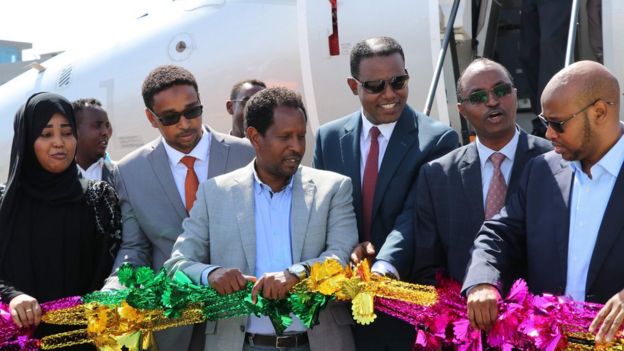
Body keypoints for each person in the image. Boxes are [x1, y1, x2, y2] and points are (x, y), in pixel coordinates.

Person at [165, 87, 358, 351]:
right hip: (239, 344)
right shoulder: (215, 193)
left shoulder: (333, 188)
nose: (297, 147)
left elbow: (341, 256)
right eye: (285, 137)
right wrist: (211, 274)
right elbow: (177, 265)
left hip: (318, 342)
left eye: (301, 136)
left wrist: (295, 274)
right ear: (255, 137)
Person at [462, 61, 624, 344]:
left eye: (558, 124)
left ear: (600, 112)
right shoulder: (542, 170)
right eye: (545, 121)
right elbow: (498, 232)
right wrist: (482, 280)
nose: (548, 134)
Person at [312, 36, 459, 350]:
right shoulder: (329, 137)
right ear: (354, 86)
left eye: (398, 81)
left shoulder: (437, 140)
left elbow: (415, 214)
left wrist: (380, 268)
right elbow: (322, 213)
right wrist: (347, 253)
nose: (390, 94)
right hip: (340, 311)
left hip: (403, 308)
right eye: (376, 86)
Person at [102, 65, 255, 350]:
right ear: (151, 117)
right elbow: (135, 247)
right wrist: (115, 289)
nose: (185, 123)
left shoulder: (245, 154)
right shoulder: (130, 171)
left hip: (241, 318)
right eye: (171, 117)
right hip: (172, 326)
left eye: (192, 111)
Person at [411, 58, 552, 287]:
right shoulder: (437, 175)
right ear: (462, 110)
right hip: (464, 315)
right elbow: (428, 267)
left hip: (542, 315)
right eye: (478, 97)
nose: (493, 101)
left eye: (501, 90)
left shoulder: (554, 161)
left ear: (515, 94)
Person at [0, 92, 121, 349]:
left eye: (66, 132)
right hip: (17, 341)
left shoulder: (98, 198)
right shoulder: (5, 203)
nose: (59, 143)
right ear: (26, 139)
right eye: (46, 134)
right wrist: (12, 296)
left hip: (87, 340)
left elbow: (113, 268)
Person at [72, 98, 114, 184]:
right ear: (75, 131)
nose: (105, 132)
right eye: (97, 125)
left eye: (107, 125)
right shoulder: (55, 179)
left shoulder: (119, 173)